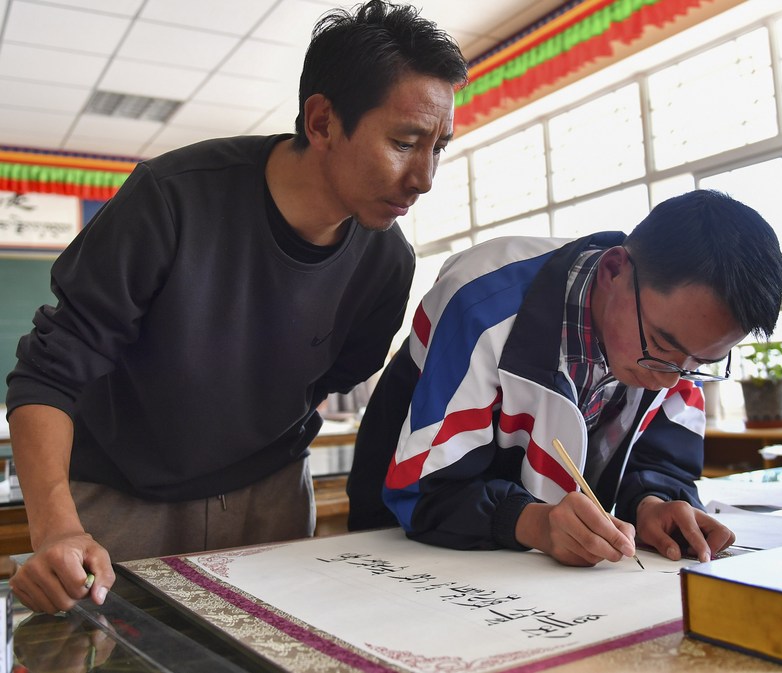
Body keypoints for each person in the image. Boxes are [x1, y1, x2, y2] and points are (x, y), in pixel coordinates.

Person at [5, 0, 467, 614]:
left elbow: (333, 376)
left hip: (268, 499)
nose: (425, 177)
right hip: (122, 498)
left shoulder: (386, 261)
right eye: (405, 142)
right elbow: (48, 374)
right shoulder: (173, 201)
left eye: (439, 147)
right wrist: (56, 528)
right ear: (323, 120)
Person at [348, 189, 782, 567]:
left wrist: (653, 504)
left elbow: (660, 463)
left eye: (701, 363)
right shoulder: (485, 301)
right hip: (404, 535)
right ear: (614, 270)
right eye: (663, 347)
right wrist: (533, 522)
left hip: (535, 563)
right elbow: (424, 488)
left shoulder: (677, 345)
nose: (672, 382)